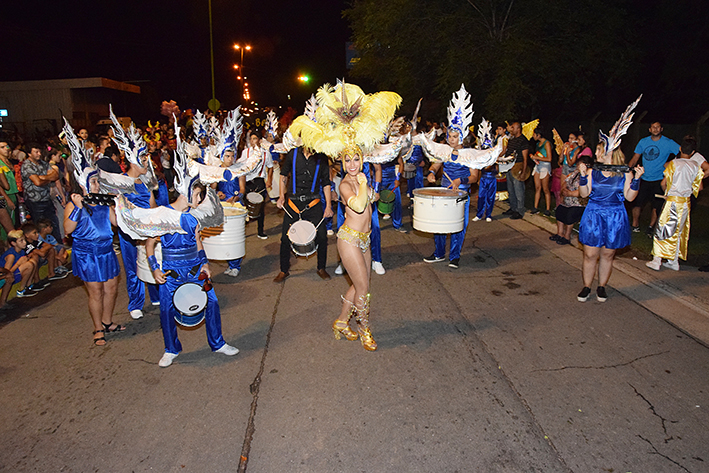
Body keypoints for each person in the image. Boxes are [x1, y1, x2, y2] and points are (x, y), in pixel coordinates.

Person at [62, 119, 124, 346]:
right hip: (88, 253)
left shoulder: (103, 202)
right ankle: (98, 328)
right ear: (85, 184)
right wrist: (78, 209)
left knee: (112, 287)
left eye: (98, 182)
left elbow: (115, 224)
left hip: (107, 251)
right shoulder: (74, 204)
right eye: (95, 182)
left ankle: (108, 322)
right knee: (95, 292)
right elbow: (68, 230)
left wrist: (118, 206)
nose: (98, 185)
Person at [576, 97, 644, 302]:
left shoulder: (625, 173)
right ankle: (587, 286)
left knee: (607, 255)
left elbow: (630, 197)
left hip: (615, 214)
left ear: (609, 153)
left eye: (599, 150)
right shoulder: (590, 171)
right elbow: (583, 194)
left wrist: (637, 180)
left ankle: (602, 286)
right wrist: (581, 175)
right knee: (589, 254)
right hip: (594, 213)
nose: (595, 153)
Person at [274, 145, 333, 282]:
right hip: (293, 202)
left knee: (322, 236)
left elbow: (326, 183)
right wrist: (281, 196)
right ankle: (284, 270)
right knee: (285, 238)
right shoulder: (292, 154)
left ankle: (321, 268)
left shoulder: (322, 157)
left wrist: (328, 206)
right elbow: (283, 175)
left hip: (313, 203)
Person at [646, 137, 703, 271]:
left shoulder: (674, 163)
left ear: (680, 149)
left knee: (662, 229)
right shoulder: (695, 165)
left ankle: (656, 260)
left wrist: (667, 192)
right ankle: (673, 261)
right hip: (685, 203)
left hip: (672, 201)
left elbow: (663, 182)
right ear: (693, 151)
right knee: (678, 231)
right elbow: (699, 188)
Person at [628, 121, 680, 234]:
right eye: (653, 127)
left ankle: (651, 227)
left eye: (658, 127)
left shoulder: (668, 142)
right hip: (643, 178)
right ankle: (635, 225)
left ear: (661, 129)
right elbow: (635, 157)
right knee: (636, 203)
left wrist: (670, 163)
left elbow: (682, 153)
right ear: (649, 129)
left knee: (656, 205)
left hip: (659, 179)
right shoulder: (643, 141)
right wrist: (627, 170)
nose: (655, 129)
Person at [20, 143, 62, 242]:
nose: (39, 154)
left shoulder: (43, 163)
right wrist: (47, 178)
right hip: (35, 201)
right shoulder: (27, 165)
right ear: (29, 154)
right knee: (39, 226)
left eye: (40, 152)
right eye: (36, 152)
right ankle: (41, 245)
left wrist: (43, 178)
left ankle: (57, 245)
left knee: (53, 224)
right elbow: (37, 182)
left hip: (47, 198)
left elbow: (56, 175)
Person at [216, 148, 246, 277]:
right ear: (222, 156)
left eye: (232, 156)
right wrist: (218, 193)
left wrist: (236, 197)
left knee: (235, 237)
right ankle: (231, 263)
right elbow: (212, 188)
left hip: (235, 206)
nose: (230, 159)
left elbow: (243, 189)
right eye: (227, 156)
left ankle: (235, 265)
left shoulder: (239, 170)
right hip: (222, 206)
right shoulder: (217, 170)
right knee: (225, 237)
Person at [550, 155, 591, 245]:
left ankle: (567, 236)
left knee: (570, 215)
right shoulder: (575, 172)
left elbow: (584, 191)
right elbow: (566, 180)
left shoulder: (588, 175)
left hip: (578, 202)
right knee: (560, 211)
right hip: (567, 200)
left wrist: (571, 193)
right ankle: (560, 233)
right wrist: (564, 189)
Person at [243, 130, 273, 240]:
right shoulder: (245, 152)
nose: (252, 141)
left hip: (259, 181)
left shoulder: (266, 154)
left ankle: (260, 231)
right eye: (251, 139)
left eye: (254, 139)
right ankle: (242, 230)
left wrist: (269, 180)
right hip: (247, 182)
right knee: (245, 207)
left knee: (260, 208)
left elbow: (270, 167)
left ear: (260, 140)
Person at [502, 122, 530, 219]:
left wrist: (524, 171)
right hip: (510, 167)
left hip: (518, 167)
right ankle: (513, 208)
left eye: (513, 127)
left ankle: (520, 210)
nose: (511, 129)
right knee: (511, 190)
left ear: (518, 129)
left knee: (519, 190)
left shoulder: (523, 141)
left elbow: (525, 158)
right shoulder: (512, 139)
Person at [1, 230, 38, 300]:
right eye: (21, 241)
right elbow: (6, 273)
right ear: (13, 243)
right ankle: (21, 290)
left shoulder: (21, 251)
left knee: (33, 261)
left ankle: (28, 285)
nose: (24, 242)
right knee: (29, 265)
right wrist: (18, 263)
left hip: (15, 274)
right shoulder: (11, 255)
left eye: (24, 240)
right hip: (8, 278)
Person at [529, 126, 553, 216]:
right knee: (537, 188)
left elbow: (549, 158)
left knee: (545, 188)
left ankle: (548, 209)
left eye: (534, 134)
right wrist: (534, 158)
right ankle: (535, 207)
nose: (533, 136)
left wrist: (536, 157)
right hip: (538, 166)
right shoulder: (537, 144)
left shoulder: (547, 143)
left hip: (545, 167)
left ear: (538, 135)